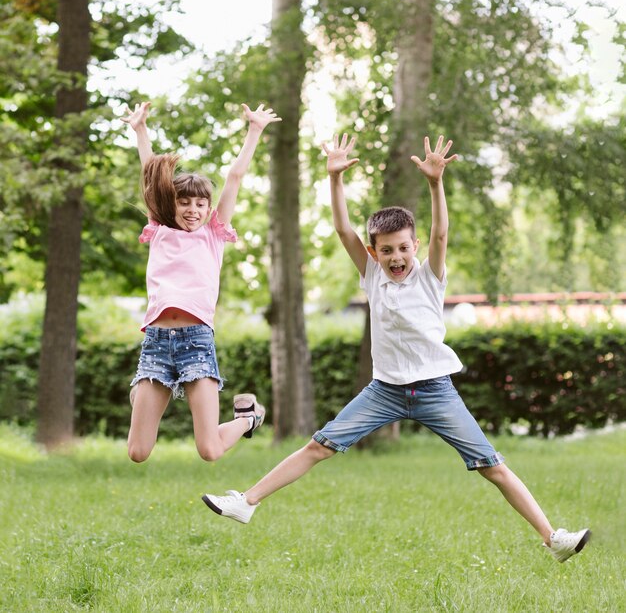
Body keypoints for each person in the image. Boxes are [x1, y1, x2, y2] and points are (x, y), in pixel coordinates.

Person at [201, 133, 591, 563]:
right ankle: (247, 502)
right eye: (386, 251)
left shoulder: (429, 277)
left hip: (435, 391)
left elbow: (441, 232)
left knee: (491, 465)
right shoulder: (372, 276)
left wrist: (435, 183)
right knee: (319, 446)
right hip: (384, 391)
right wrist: (334, 178)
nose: (396, 257)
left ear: (415, 247)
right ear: (374, 252)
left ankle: (553, 538)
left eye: (404, 248)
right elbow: (341, 228)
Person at [121, 101, 280, 462]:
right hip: (157, 344)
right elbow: (150, 174)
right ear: (170, 205)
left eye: (200, 204)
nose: (192, 209)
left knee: (209, 450)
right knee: (138, 451)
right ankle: (143, 393)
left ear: (210, 209)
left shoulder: (213, 235)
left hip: (196, 342)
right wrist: (140, 129)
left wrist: (254, 129)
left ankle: (248, 418)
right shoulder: (159, 229)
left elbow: (235, 176)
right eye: (184, 202)